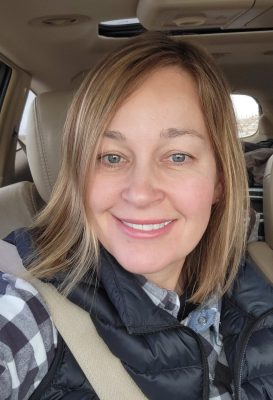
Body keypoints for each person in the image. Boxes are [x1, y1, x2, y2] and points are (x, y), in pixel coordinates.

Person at [1, 32, 273, 400]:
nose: (141, 192)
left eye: (177, 156)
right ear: (80, 174)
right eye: (111, 157)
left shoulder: (261, 279)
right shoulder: (26, 304)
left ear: (220, 180)